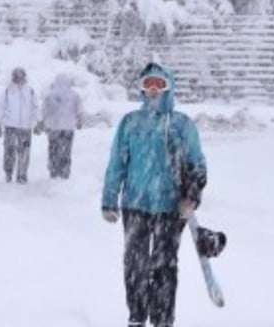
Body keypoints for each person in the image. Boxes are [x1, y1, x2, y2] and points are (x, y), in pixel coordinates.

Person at [101, 63, 207, 327]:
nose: (153, 89)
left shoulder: (182, 125)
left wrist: (191, 196)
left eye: (158, 84)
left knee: (164, 267)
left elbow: (198, 164)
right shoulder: (130, 123)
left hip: (170, 208)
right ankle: (136, 317)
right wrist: (109, 199)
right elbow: (117, 163)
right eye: (148, 83)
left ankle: (162, 320)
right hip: (135, 204)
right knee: (135, 266)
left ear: (168, 87)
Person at [0, 67, 39, 184]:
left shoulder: (30, 91)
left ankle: (22, 174)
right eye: (17, 77)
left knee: (24, 152)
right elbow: (1, 108)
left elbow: (36, 107)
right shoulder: (8, 91)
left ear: (25, 77)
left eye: (21, 77)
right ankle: (8, 172)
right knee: (9, 150)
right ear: (13, 78)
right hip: (10, 127)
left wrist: (38, 121)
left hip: (25, 127)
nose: (19, 80)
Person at [41, 73, 84, 179]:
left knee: (53, 150)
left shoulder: (50, 95)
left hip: (54, 128)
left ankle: (53, 171)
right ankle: (65, 172)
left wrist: (43, 123)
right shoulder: (74, 95)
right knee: (66, 150)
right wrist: (80, 121)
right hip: (68, 128)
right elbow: (80, 110)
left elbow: (44, 111)